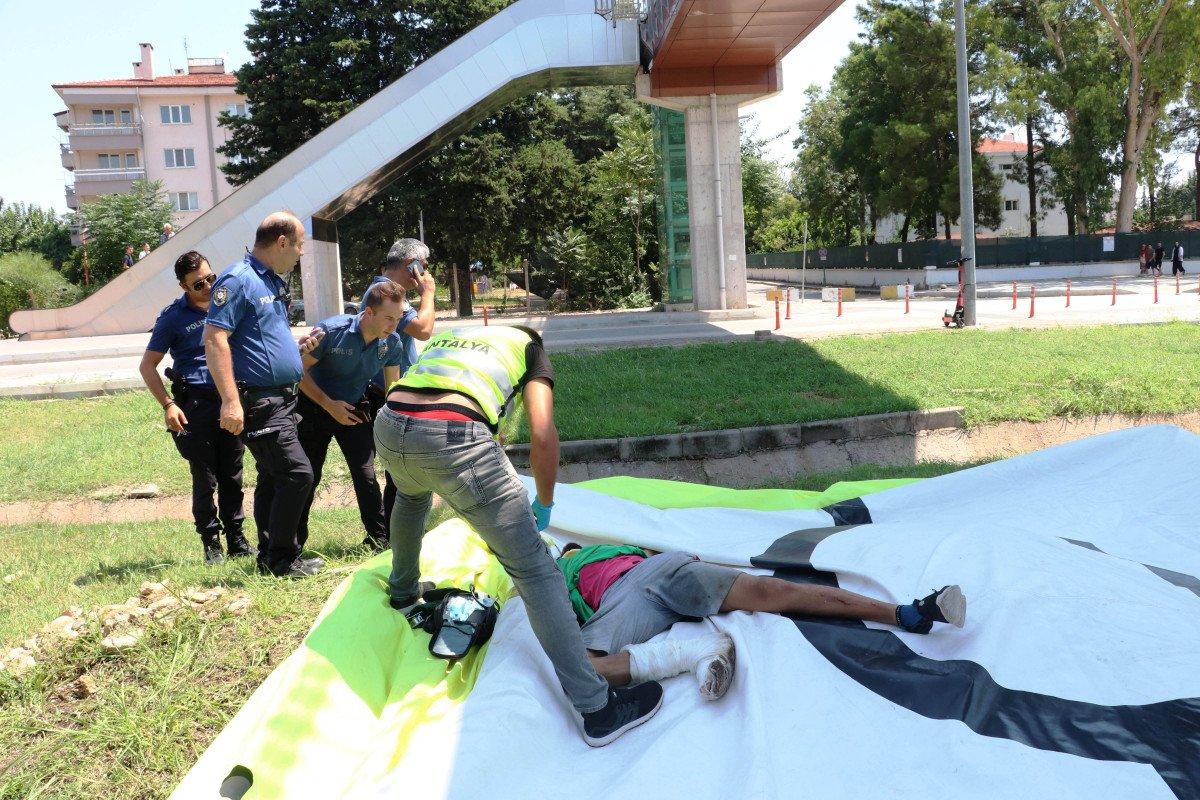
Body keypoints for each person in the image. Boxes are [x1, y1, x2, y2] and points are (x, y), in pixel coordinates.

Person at [375, 325, 663, 747]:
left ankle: (402, 591)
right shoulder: (530, 349)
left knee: (411, 495)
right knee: (537, 571)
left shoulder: (454, 338)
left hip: (390, 423)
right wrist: (543, 503)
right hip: (453, 436)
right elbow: (543, 434)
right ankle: (598, 709)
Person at [558, 544, 967, 700]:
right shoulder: (558, 578)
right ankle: (691, 653)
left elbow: (652, 547)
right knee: (584, 671)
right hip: (623, 600)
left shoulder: (602, 546)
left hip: (660, 571)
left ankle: (906, 613)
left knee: (771, 593)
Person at [204, 211, 320, 579]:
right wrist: (230, 400)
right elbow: (215, 337)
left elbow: (260, 335)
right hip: (259, 399)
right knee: (298, 474)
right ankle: (282, 560)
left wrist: (292, 346)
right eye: (300, 244)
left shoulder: (269, 282)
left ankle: (274, 556)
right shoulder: (238, 280)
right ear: (282, 241)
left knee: (274, 478)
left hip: (284, 398)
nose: (302, 252)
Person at [139, 251, 255, 565]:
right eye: (197, 284)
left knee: (233, 473)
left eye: (209, 278)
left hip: (230, 399)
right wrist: (168, 404)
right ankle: (211, 544)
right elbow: (148, 366)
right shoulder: (172, 317)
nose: (206, 287)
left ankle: (238, 539)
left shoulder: (227, 301)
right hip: (195, 404)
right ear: (183, 287)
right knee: (205, 477)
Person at [295, 280, 411, 553]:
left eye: (398, 318)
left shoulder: (391, 343)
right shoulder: (331, 331)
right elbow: (298, 371)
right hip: (313, 407)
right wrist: (328, 404)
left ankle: (378, 539)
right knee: (308, 476)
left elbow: (391, 387)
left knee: (365, 473)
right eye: (388, 318)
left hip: (353, 408)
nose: (394, 326)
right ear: (369, 313)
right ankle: (293, 545)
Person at [361, 238, 437, 522]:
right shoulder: (386, 293)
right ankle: (387, 530)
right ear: (411, 265)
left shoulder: (391, 293)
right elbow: (423, 330)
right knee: (397, 464)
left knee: (398, 465)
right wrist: (427, 293)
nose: (426, 273)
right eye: (423, 267)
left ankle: (389, 528)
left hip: (391, 387)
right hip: (383, 390)